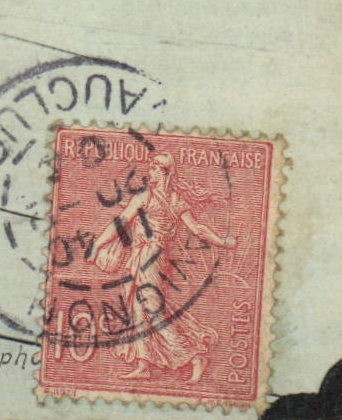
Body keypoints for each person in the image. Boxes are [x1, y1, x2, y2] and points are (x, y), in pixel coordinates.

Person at [89, 153, 237, 383]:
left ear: (166, 173)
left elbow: (197, 229)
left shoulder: (160, 199)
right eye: (152, 166)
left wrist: (223, 242)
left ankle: (194, 357)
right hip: (141, 256)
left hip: (153, 257)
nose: (151, 170)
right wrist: (98, 244)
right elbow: (120, 222)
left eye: (156, 167)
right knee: (138, 310)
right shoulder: (150, 197)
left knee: (153, 310)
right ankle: (143, 363)